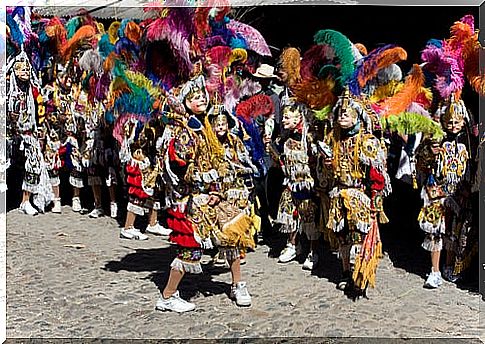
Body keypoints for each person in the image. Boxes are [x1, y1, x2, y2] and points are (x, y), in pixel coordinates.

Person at [156, 75, 253, 312]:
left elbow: (216, 160)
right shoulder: (183, 129)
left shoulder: (205, 127)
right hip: (192, 199)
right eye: (194, 96)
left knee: (232, 234)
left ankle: (237, 285)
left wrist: (217, 189)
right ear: (185, 102)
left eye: (202, 95)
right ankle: (168, 297)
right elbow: (178, 165)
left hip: (213, 195)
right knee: (190, 248)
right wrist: (199, 183)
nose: (200, 98)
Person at [321, 89, 391, 299]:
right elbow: (327, 172)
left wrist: (375, 199)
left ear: (357, 116)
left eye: (346, 113)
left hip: (359, 196)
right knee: (342, 236)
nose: (341, 117)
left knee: (358, 237)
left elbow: (377, 175)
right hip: (338, 193)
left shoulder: (367, 141)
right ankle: (345, 272)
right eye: (339, 113)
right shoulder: (333, 139)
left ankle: (360, 274)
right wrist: (326, 164)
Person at [416, 96, 475, 287]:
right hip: (437, 193)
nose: (453, 125)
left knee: (453, 232)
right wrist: (430, 154)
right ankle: (434, 270)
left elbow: (472, 166)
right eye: (449, 121)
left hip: (458, 193)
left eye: (457, 121)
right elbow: (421, 163)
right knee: (435, 232)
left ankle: (449, 266)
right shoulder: (435, 138)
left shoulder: (468, 141)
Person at [273, 101, 320, 270]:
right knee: (289, 215)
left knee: (309, 218)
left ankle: (313, 252)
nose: (283, 120)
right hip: (290, 183)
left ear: (298, 117)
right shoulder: (284, 138)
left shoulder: (309, 138)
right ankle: (292, 245)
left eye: (287, 117)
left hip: (307, 186)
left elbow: (317, 162)